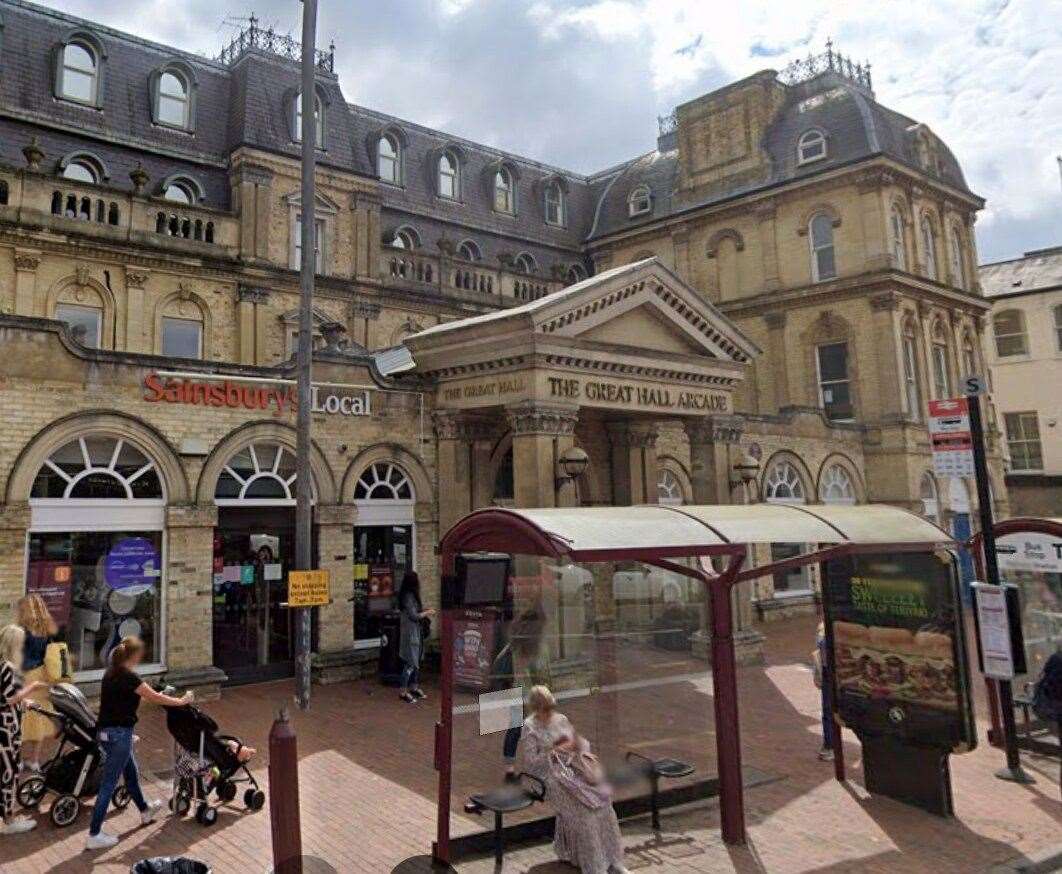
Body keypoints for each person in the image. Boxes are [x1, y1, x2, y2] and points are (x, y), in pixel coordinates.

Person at [86, 636, 192, 851]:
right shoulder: (130, 677)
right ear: (133, 656)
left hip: (107, 733)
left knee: (132, 773)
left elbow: (126, 701)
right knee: (108, 784)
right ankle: (94, 834)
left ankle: (144, 811)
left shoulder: (110, 674)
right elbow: (155, 698)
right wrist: (181, 701)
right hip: (119, 735)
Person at [515, 685, 628, 874]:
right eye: (544, 710)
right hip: (550, 776)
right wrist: (552, 752)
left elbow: (581, 744)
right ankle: (594, 866)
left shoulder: (561, 720)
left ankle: (614, 860)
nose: (548, 713)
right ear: (536, 709)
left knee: (604, 805)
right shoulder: (529, 727)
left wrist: (575, 746)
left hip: (573, 769)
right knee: (584, 816)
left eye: (550, 708)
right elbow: (531, 763)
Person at [0, 624, 47, 835]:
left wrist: (24, 701)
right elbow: (9, 697)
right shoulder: (9, 668)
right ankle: (9, 820)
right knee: (9, 771)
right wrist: (32, 689)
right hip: (7, 728)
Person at [16, 594, 58, 774]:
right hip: (41, 678)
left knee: (20, 719)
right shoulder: (46, 629)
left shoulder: (21, 631)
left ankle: (16, 759)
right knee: (38, 719)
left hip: (24, 677)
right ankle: (34, 760)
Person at [397, 571, 434, 704]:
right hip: (410, 633)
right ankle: (403, 691)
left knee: (417, 660)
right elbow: (413, 615)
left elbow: (416, 611)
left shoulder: (412, 596)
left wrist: (424, 610)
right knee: (410, 662)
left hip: (416, 632)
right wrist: (427, 613)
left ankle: (414, 687)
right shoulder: (408, 597)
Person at [812, 620, 834, 761]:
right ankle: (829, 745)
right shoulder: (823, 626)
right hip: (829, 673)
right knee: (828, 711)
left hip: (836, 673)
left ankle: (829, 745)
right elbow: (820, 651)